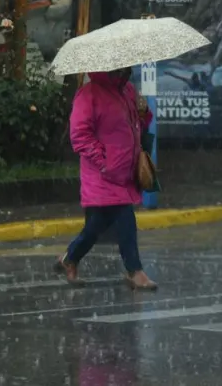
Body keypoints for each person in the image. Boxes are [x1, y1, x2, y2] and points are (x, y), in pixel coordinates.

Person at [55, 67, 158, 290]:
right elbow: (80, 135)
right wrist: (104, 161)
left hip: (125, 171)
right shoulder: (88, 94)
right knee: (124, 217)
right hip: (102, 173)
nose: (123, 67)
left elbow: (140, 126)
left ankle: (70, 258)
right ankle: (135, 271)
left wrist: (143, 112)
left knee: (97, 224)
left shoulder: (128, 90)